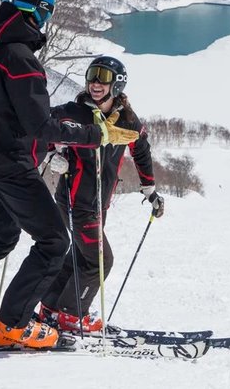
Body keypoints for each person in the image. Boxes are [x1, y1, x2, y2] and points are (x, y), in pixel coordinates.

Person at [0, 0, 139, 350]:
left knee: (1, 235)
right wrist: (96, 136)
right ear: (40, 11)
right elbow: (42, 126)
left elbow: (10, 111)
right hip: (13, 164)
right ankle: (14, 325)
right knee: (53, 241)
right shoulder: (22, 60)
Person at [39, 56, 162, 334]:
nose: (95, 82)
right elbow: (41, 124)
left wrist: (149, 188)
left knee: (81, 257)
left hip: (99, 203)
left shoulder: (127, 120)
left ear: (117, 84)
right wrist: (51, 153)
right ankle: (71, 315)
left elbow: (140, 149)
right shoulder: (74, 112)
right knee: (99, 260)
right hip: (75, 200)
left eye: (103, 77)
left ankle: (51, 308)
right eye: (92, 76)